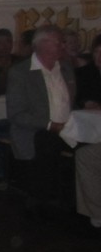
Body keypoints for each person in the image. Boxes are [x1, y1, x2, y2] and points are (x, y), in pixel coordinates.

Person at [6, 24, 76, 201]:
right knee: (46, 145)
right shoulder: (21, 72)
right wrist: (50, 125)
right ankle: (41, 203)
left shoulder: (66, 68)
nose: (63, 46)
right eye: (59, 42)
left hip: (67, 130)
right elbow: (16, 114)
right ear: (43, 44)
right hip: (36, 132)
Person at [74, 34, 101, 109]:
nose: (99, 56)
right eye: (96, 52)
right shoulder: (82, 73)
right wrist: (84, 103)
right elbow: (76, 98)